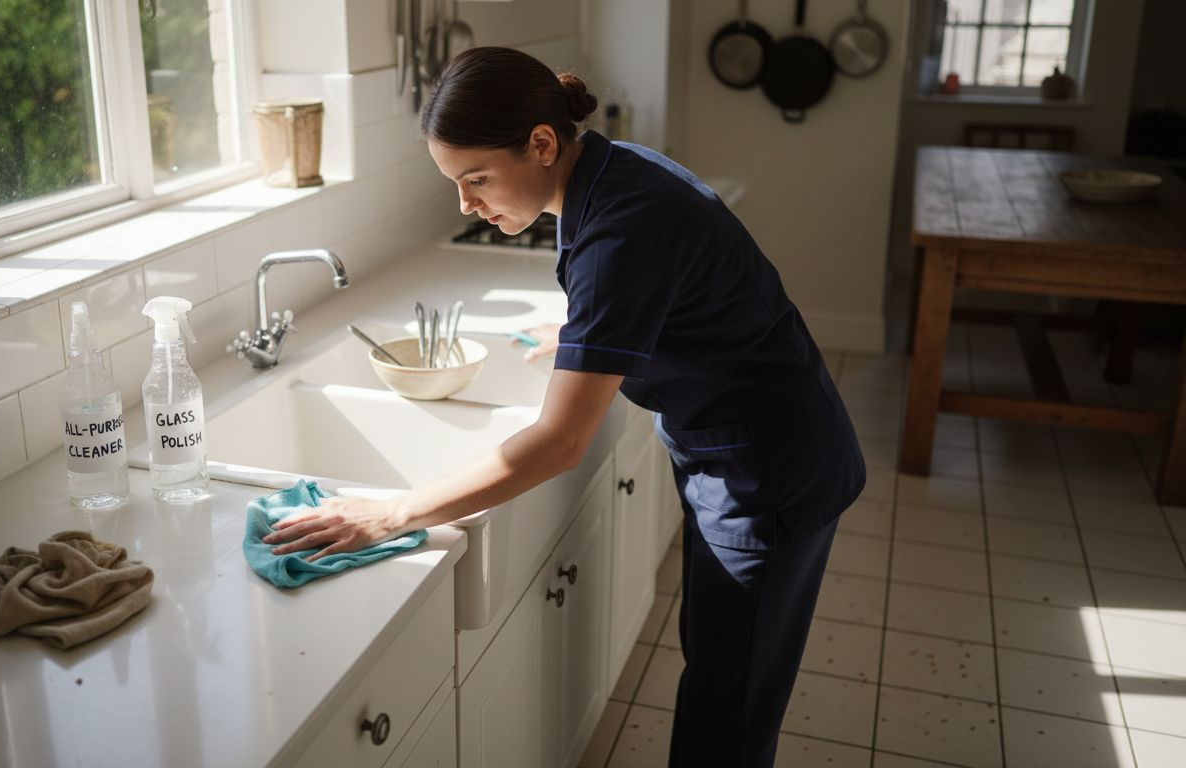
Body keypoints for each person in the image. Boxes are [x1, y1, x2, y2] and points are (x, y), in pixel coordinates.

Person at [262, 46, 865, 767]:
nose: (467, 204)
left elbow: (558, 442)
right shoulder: (611, 170)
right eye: (456, 183)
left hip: (770, 474)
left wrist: (391, 513)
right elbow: (672, 286)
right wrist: (588, 334)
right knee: (722, 673)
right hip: (751, 447)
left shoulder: (619, 232)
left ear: (542, 144)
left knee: (727, 710)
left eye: (476, 178)